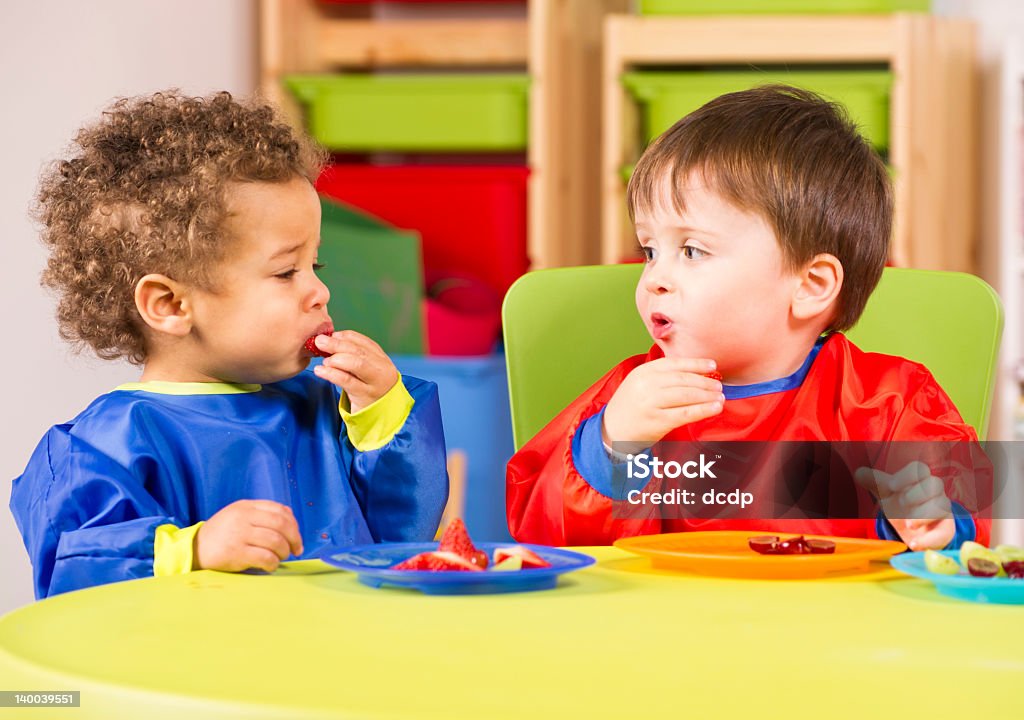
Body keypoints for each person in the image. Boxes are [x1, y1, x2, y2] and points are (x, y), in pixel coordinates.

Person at [506, 85, 989, 549]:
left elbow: (964, 520)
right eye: (651, 249)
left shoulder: (889, 403)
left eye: (691, 250)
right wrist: (613, 448)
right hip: (668, 630)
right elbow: (541, 529)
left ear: (811, 286)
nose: (653, 277)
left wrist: (933, 522)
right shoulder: (632, 396)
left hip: (837, 631)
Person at [11, 90, 448, 599]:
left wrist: (383, 413)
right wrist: (192, 551)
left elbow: (401, 538)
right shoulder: (101, 447)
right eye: (286, 272)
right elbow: (73, 573)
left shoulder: (325, 407)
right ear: (171, 305)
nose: (320, 292)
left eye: (315, 266)